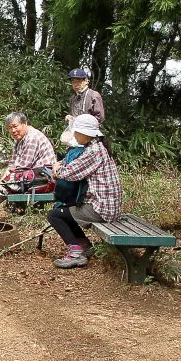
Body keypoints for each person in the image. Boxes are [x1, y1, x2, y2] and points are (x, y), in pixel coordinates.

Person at [47, 113, 122, 269]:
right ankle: (84, 246)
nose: (74, 135)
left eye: (76, 132)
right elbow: (76, 164)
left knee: (55, 215)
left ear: (84, 133)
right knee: (64, 210)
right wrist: (61, 164)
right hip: (107, 207)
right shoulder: (97, 146)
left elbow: (67, 174)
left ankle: (75, 253)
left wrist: (56, 168)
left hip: (101, 209)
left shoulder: (93, 151)